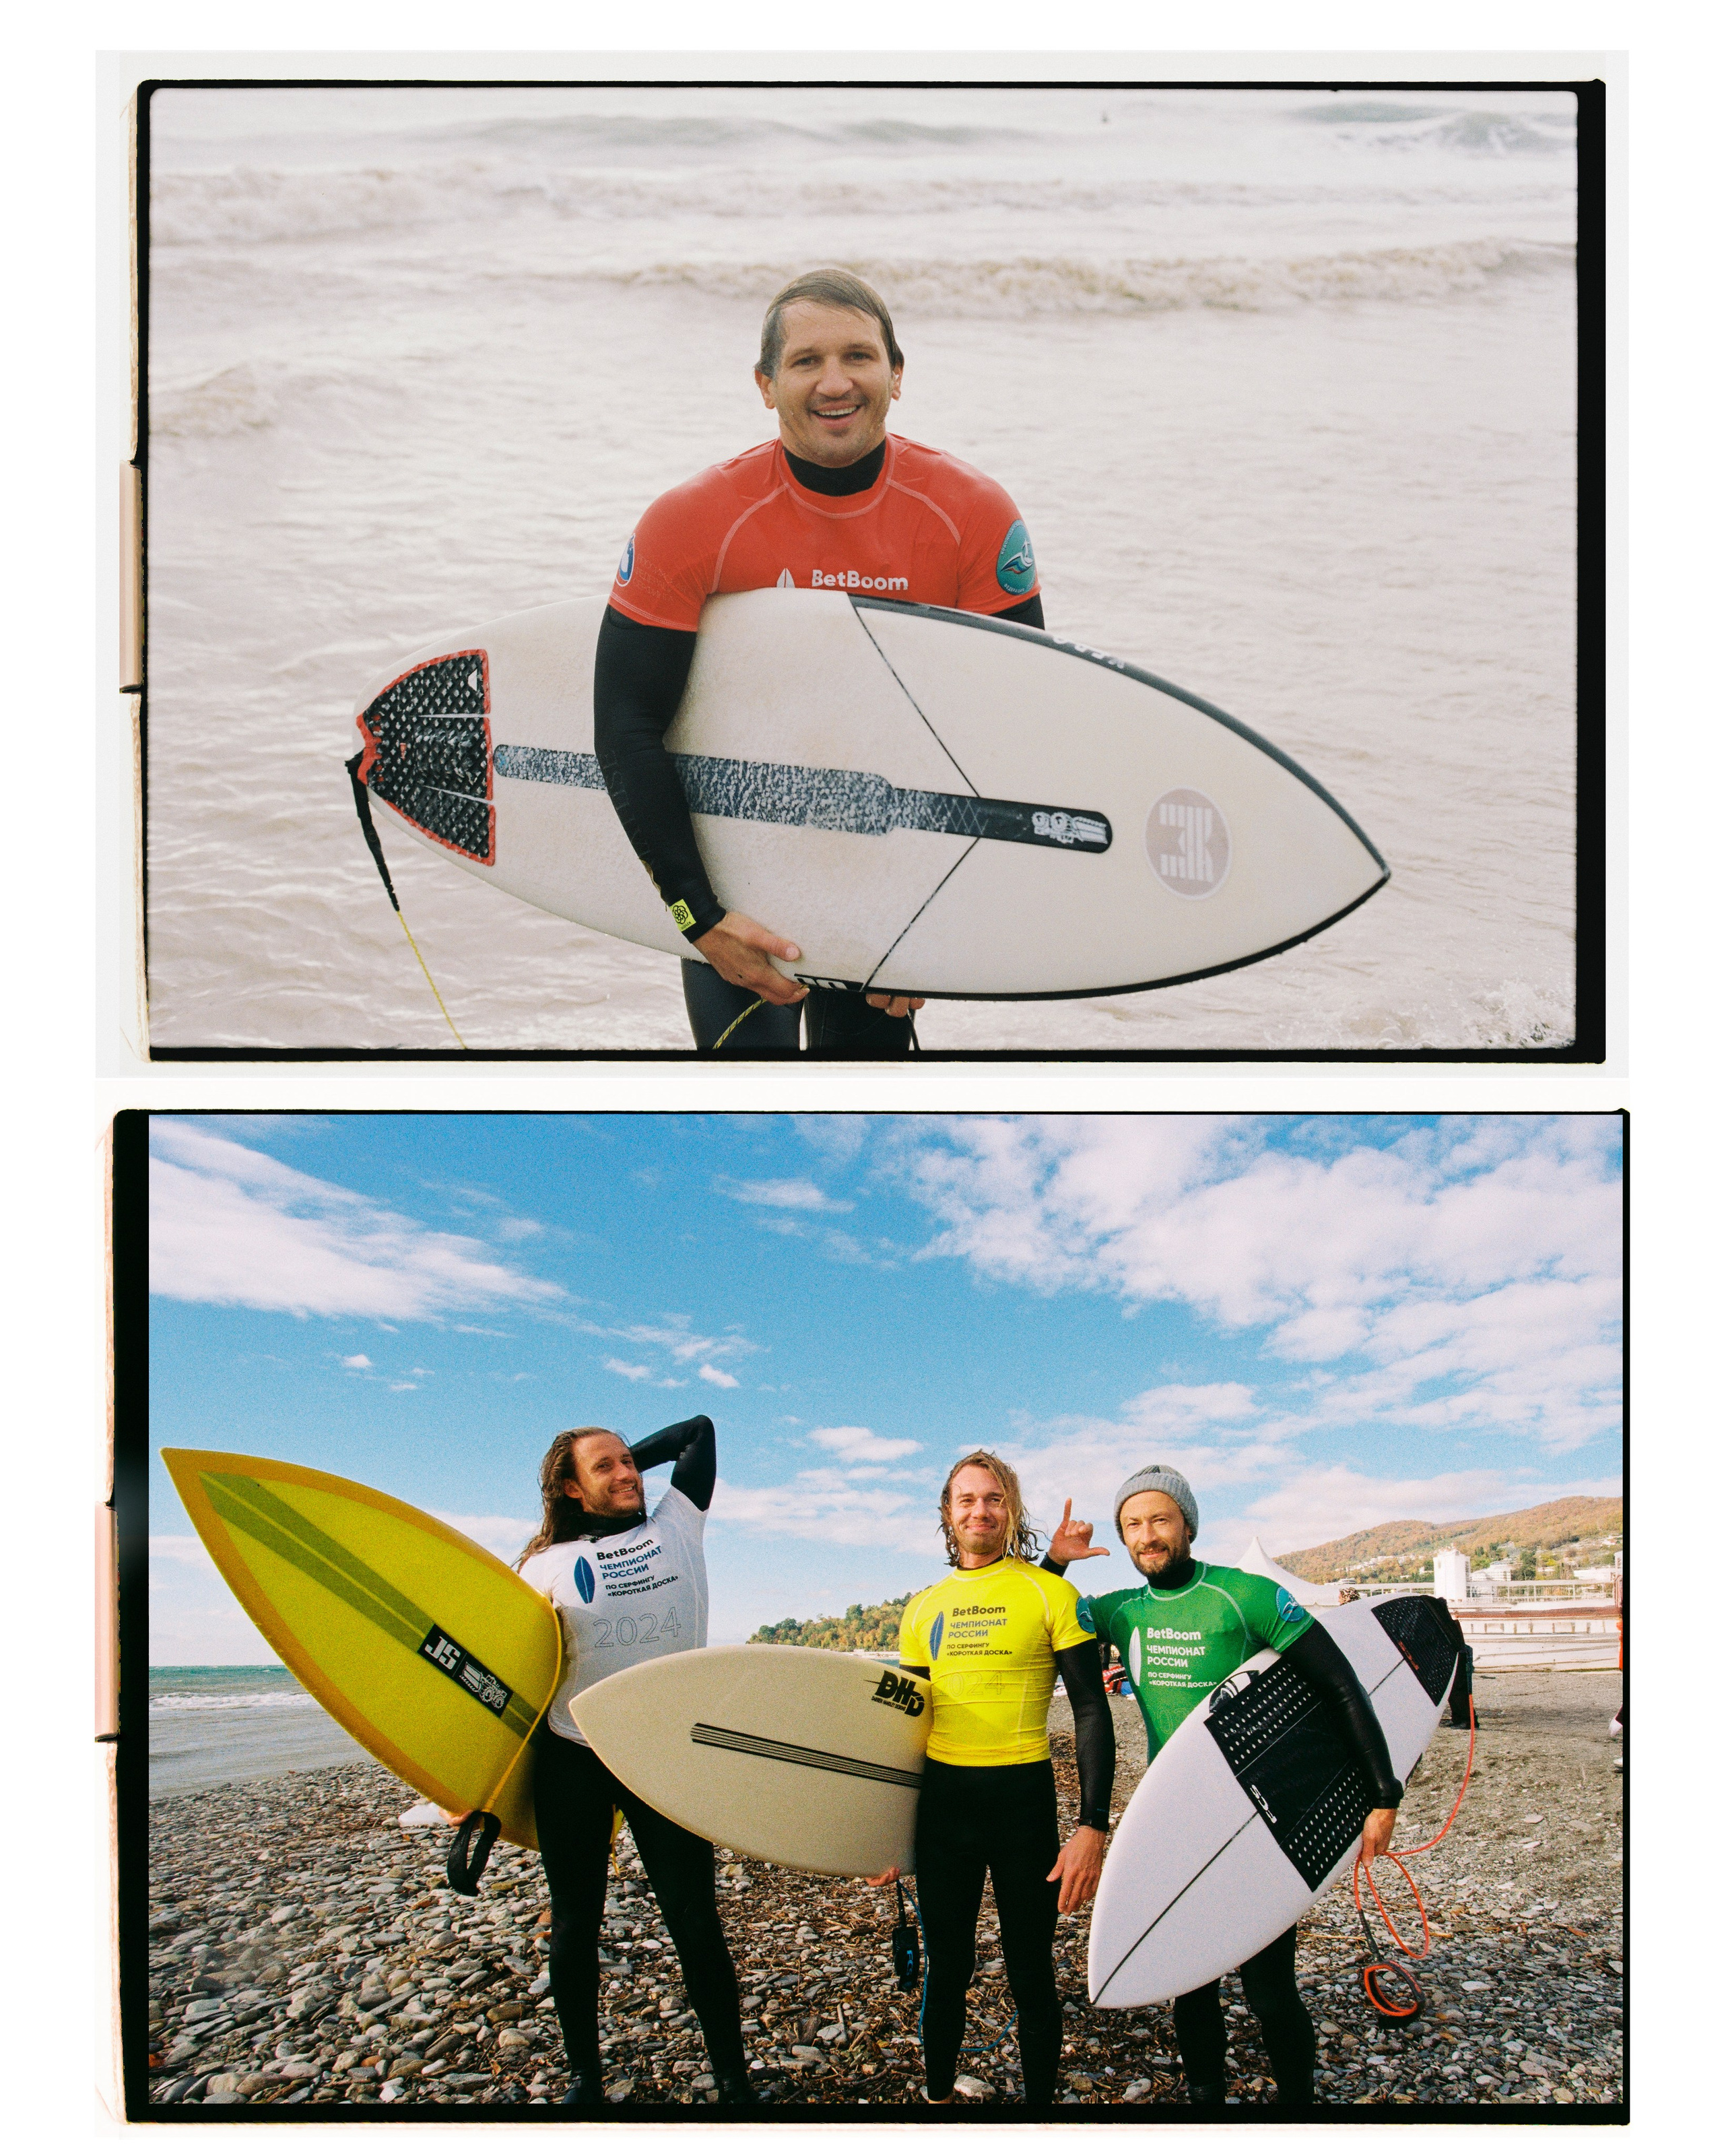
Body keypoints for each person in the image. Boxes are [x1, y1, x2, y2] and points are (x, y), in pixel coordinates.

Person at [595, 267, 1047, 1055]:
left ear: (896, 375)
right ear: (766, 385)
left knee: (862, 1123)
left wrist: (943, 927)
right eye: (805, 361)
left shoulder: (973, 516)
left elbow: (1015, 737)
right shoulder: (693, 522)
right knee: (752, 1116)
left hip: (893, 883)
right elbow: (626, 722)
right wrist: (696, 916)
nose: (834, 382)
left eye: (858, 357)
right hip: (732, 877)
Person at [1047, 1466, 1403, 2114]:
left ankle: (1298, 2102)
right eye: (1133, 1524)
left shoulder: (1246, 1595)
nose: (1146, 1535)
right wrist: (1055, 1561)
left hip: (1254, 1819)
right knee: (1190, 1981)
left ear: (1187, 1523)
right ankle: (1205, 2098)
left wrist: (1384, 1792)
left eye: (1160, 1519)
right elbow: (1040, 1612)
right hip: (1175, 1815)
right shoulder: (1120, 1610)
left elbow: (1341, 1683)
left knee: (1269, 1990)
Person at [514, 1416, 754, 2112]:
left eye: (630, 1463)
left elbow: (701, 1431)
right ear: (569, 1490)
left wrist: (619, 1461)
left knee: (694, 1920)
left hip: (664, 1746)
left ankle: (733, 2080)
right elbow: (517, 1672)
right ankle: (584, 2078)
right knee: (573, 1921)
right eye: (605, 1469)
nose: (628, 1475)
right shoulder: (539, 1569)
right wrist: (471, 1786)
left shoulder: (676, 1525)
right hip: (572, 1751)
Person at [867, 1453, 1114, 2108]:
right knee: (948, 1969)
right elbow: (902, 1730)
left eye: (994, 1498)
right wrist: (880, 1835)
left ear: (1012, 1511)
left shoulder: (1050, 1594)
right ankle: (938, 2103)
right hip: (944, 1810)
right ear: (948, 1515)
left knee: (1031, 1974)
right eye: (967, 1499)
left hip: (1022, 1807)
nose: (981, 1510)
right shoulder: (922, 1608)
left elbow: (1090, 1707)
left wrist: (1092, 1826)